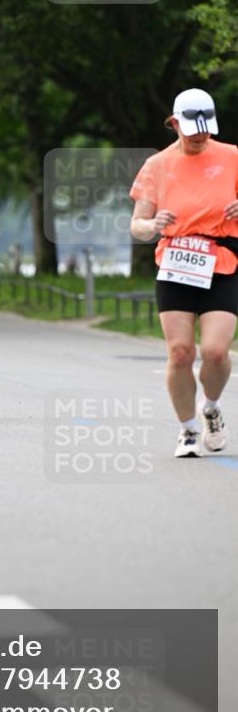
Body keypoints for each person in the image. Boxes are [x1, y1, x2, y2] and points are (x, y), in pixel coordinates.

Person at [130, 88, 238, 459]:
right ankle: (188, 429)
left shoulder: (232, 156)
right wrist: (152, 223)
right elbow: (137, 225)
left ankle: (210, 406)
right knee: (179, 353)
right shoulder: (157, 165)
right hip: (176, 262)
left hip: (222, 261)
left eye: (205, 132)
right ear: (174, 123)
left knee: (215, 351)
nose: (199, 138)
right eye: (192, 131)